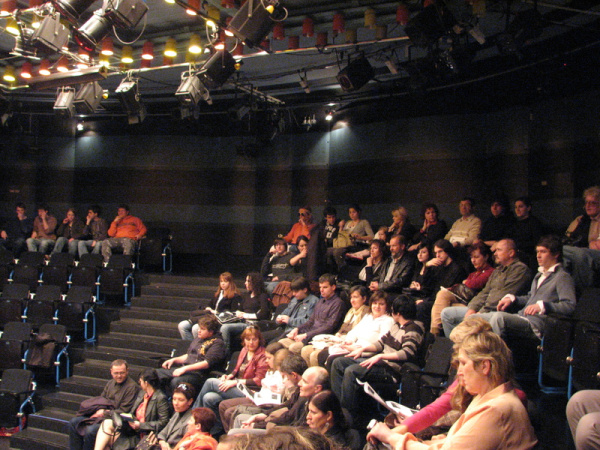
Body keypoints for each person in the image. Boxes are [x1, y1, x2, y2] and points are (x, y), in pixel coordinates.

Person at [366, 331, 537, 449]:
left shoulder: (496, 409)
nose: (459, 372)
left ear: (485, 366)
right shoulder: (487, 397)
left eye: (463, 363)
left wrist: (392, 437)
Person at [330, 295, 424, 427]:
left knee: (352, 371)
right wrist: (362, 349)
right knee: (338, 362)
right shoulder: (396, 325)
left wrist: (381, 356)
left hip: (391, 370)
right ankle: (338, 408)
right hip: (380, 363)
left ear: (398, 313)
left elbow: (407, 353)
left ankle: (348, 417)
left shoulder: (413, 329)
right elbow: (380, 343)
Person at [474, 235, 576, 342]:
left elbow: (570, 305)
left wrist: (543, 306)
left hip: (536, 324)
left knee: (499, 318)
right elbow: (530, 297)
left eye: (543, 252)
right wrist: (513, 299)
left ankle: (494, 352)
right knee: (474, 319)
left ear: (556, 254)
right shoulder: (539, 275)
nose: (538, 256)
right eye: (537, 252)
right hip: (522, 316)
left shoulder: (562, 276)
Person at [441, 238, 531, 337]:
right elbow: (485, 292)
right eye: (495, 250)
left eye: (499, 250)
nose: (495, 253)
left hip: (499, 313)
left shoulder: (520, 269)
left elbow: (503, 295)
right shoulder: (497, 270)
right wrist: (472, 308)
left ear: (511, 253)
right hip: (484, 310)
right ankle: (454, 345)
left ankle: (468, 345)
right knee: (447, 313)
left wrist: (481, 312)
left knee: (471, 319)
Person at [194, 327, 269, 436]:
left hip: (251, 392)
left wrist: (236, 382)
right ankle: (215, 432)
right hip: (238, 386)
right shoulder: (244, 350)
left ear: (259, 340)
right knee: (209, 397)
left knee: (210, 382)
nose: (251, 343)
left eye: (254, 339)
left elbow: (258, 380)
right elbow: (236, 369)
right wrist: (229, 376)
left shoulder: (263, 355)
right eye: (248, 339)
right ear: (244, 340)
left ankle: (194, 416)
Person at [69, 359, 140, 450]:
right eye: (116, 373)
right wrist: (98, 411)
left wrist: (104, 412)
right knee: (74, 422)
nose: (119, 376)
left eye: (122, 373)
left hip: (116, 421)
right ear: (111, 372)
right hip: (102, 416)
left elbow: (124, 411)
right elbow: (101, 400)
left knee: (91, 430)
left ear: (127, 371)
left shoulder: (132, 387)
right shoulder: (110, 383)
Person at [93, 368, 170, 450]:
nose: (140, 384)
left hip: (145, 433)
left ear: (146, 383)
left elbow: (163, 422)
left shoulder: (160, 398)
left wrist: (140, 425)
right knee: (107, 423)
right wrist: (129, 418)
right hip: (132, 429)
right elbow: (133, 412)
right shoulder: (142, 393)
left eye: (140, 381)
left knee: (108, 441)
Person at [430, 242, 495, 335]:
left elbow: (473, 284)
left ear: (486, 257)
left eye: (476, 257)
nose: (473, 260)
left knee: (443, 300)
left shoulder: (490, 272)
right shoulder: (474, 273)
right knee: (444, 299)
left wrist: (465, 282)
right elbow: (467, 283)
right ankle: (437, 332)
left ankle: (436, 333)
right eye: (472, 257)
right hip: (465, 300)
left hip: (475, 304)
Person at [300, 285, 370, 366]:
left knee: (314, 355)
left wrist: (343, 338)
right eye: (351, 297)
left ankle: (318, 374)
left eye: (355, 297)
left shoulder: (367, 312)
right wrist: (338, 334)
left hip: (350, 343)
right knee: (305, 350)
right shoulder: (351, 311)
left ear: (364, 299)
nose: (352, 300)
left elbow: (358, 334)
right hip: (338, 340)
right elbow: (342, 328)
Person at [158, 314, 226, 395]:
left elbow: (206, 363)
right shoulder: (198, 338)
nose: (199, 331)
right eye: (199, 328)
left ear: (211, 332)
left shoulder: (217, 343)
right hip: (187, 370)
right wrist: (174, 360)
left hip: (199, 374)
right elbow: (188, 355)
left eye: (202, 329)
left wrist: (185, 369)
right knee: (156, 374)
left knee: (176, 381)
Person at [278, 273, 345, 354]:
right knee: (280, 343)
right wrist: (298, 329)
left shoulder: (338, 303)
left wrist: (306, 335)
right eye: (320, 287)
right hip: (309, 334)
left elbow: (329, 327)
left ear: (333, 287)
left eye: (325, 287)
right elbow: (310, 321)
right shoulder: (320, 301)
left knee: (293, 348)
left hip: (321, 337)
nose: (321, 290)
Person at [178, 272, 241, 341]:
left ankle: (200, 346)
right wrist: (208, 308)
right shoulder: (218, 294)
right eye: (221, 281)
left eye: (225, 281)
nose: (222, 284)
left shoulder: (235, 296)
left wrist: (216, 312)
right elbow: (210, 305)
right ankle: (192, 345)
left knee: (196, 328)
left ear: (230, 283)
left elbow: (232, 313)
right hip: (209, 317)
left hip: (218, 320)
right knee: (182, 325)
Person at [220, 273, 271, 354]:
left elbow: (263, 314)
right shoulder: (246, 295)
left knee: (225, 328)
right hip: (241, 321)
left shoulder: (262, 296)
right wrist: (238, 313)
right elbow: (239, 309)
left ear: (255, 282)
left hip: (252, 323)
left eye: (248, 281)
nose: (245, 283)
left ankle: (225, 354)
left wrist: (245, 315)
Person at [563, 186, 600, 290]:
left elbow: (597, 246)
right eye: (586, 202)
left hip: (592, 255)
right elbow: (567, 237)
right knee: (561, 256)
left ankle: (585, 290)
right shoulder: (580, 220)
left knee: (579, 254)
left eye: (592, 203)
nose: (588, 206)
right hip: (575, 251)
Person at [262, 276, 318, 344]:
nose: (293, 294)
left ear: (305, 290)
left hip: (296, 332)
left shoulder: (313, 302)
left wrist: (289, 320)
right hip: (284, 329)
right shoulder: (294, 300)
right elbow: (284, 313)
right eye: (293, 291)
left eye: (296, 291)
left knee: (271, 345)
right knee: (259, 337)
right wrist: (279, 319)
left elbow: (309, 322)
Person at [329, 204, 374, 271]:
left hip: (355, 244)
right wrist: (341, 227)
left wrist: (360, 237)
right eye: (350, 212)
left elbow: (372, 236)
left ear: (358, 212)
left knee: (337, 252)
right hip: (344, 243)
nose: (351, 214)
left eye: (354, 212)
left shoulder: (363, 222)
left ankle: (342, 270)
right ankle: (332, 271)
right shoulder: (348, 222)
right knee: (329, 251)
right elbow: (341, 234)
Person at [155, 383, 197, 450]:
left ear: (190, 401)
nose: (176, 403)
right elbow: (163, 433)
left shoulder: (191, 420)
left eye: (181, 400)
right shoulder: (177, 413)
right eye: (174, 399)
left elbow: (185, 446)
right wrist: (162, 442)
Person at [508, 196, 544, 260]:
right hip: (514, 252)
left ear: (528, 208)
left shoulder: (534, 223)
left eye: (520, 207)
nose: (517, 210)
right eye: (516, 207)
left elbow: (536, 242)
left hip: (528, 255)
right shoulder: (514, 223)